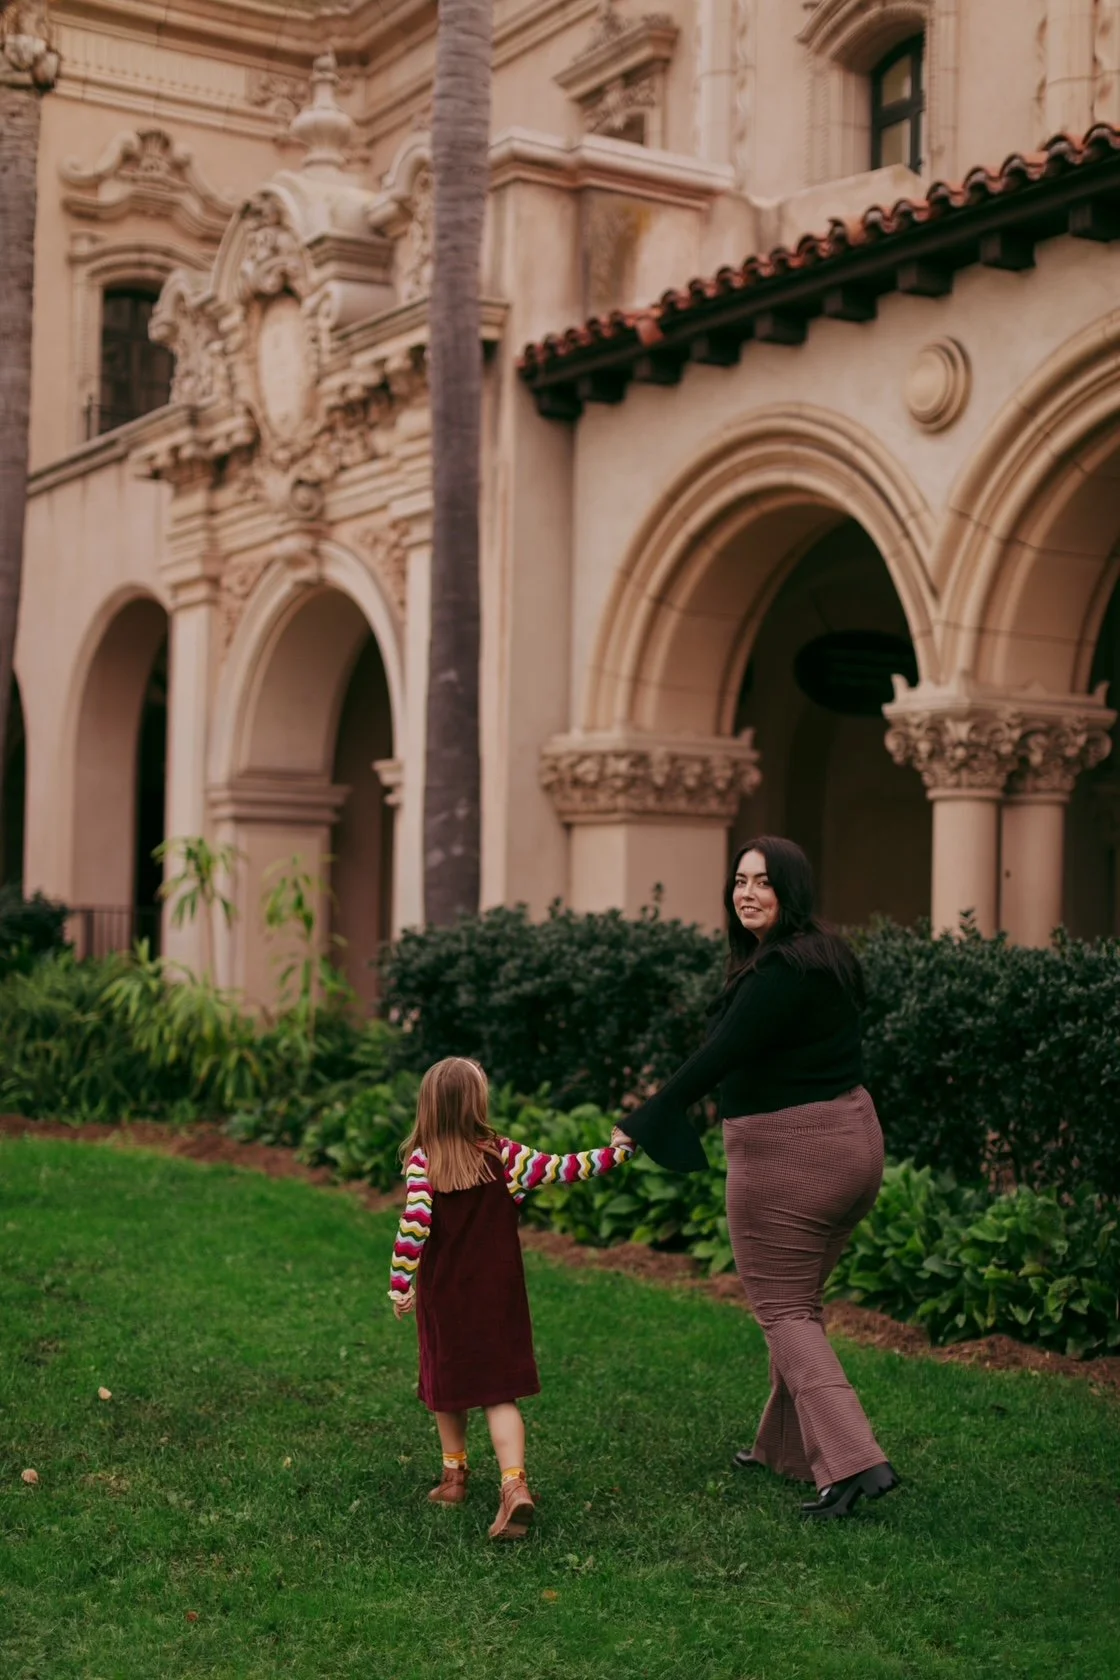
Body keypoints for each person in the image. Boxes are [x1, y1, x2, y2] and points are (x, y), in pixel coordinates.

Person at [623, 836, 899, 1521]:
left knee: (783, 1311)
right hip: (854, 1143)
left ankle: (855, 1463)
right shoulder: (822, 958)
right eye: (740, 881)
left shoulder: (780, 973)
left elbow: (719, 1056)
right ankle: (786, 1450)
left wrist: (645, 1118)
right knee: (797, 1304)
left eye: (764, 884)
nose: (747, 893)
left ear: (791, 894)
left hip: (789, 1155)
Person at [388, 1056, 633, 1540]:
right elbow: (568, 1167)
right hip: (499, 1300)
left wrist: (401, 1282)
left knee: (447, 1385)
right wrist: (618, 1152)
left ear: (429, 1107)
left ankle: (454, 1477)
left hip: (447, 1300)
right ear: (477, 1104)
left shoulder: (424, 1162)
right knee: (499, 1395)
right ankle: (513, 1486)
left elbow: (414, 1225)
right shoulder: (504, 1156)